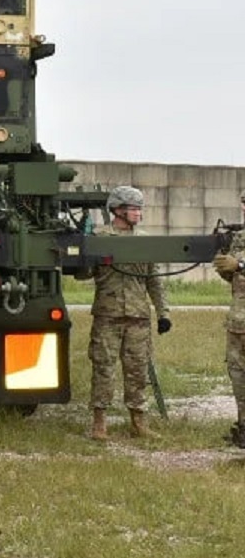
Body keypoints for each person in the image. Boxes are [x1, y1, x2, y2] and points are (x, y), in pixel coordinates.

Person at [77, 185, 171, 440]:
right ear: (118, 210)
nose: (139, 213)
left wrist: (163, 313)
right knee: (103, 369)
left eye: (140, 209)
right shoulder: (99, 237)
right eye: (134, 208)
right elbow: (83, 274)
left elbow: (154, 280)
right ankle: (99, 423)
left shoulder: (145, 240)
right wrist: (84, 251)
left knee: (137, 371)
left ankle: (138, 422)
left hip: (138, 317)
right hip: (108, 316)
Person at [212, 191, 245, 448]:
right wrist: (223, 263)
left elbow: (239, 268)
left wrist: (240, 265)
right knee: (238, 375)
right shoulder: (240, 237)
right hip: (238, 322)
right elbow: (232, 278)